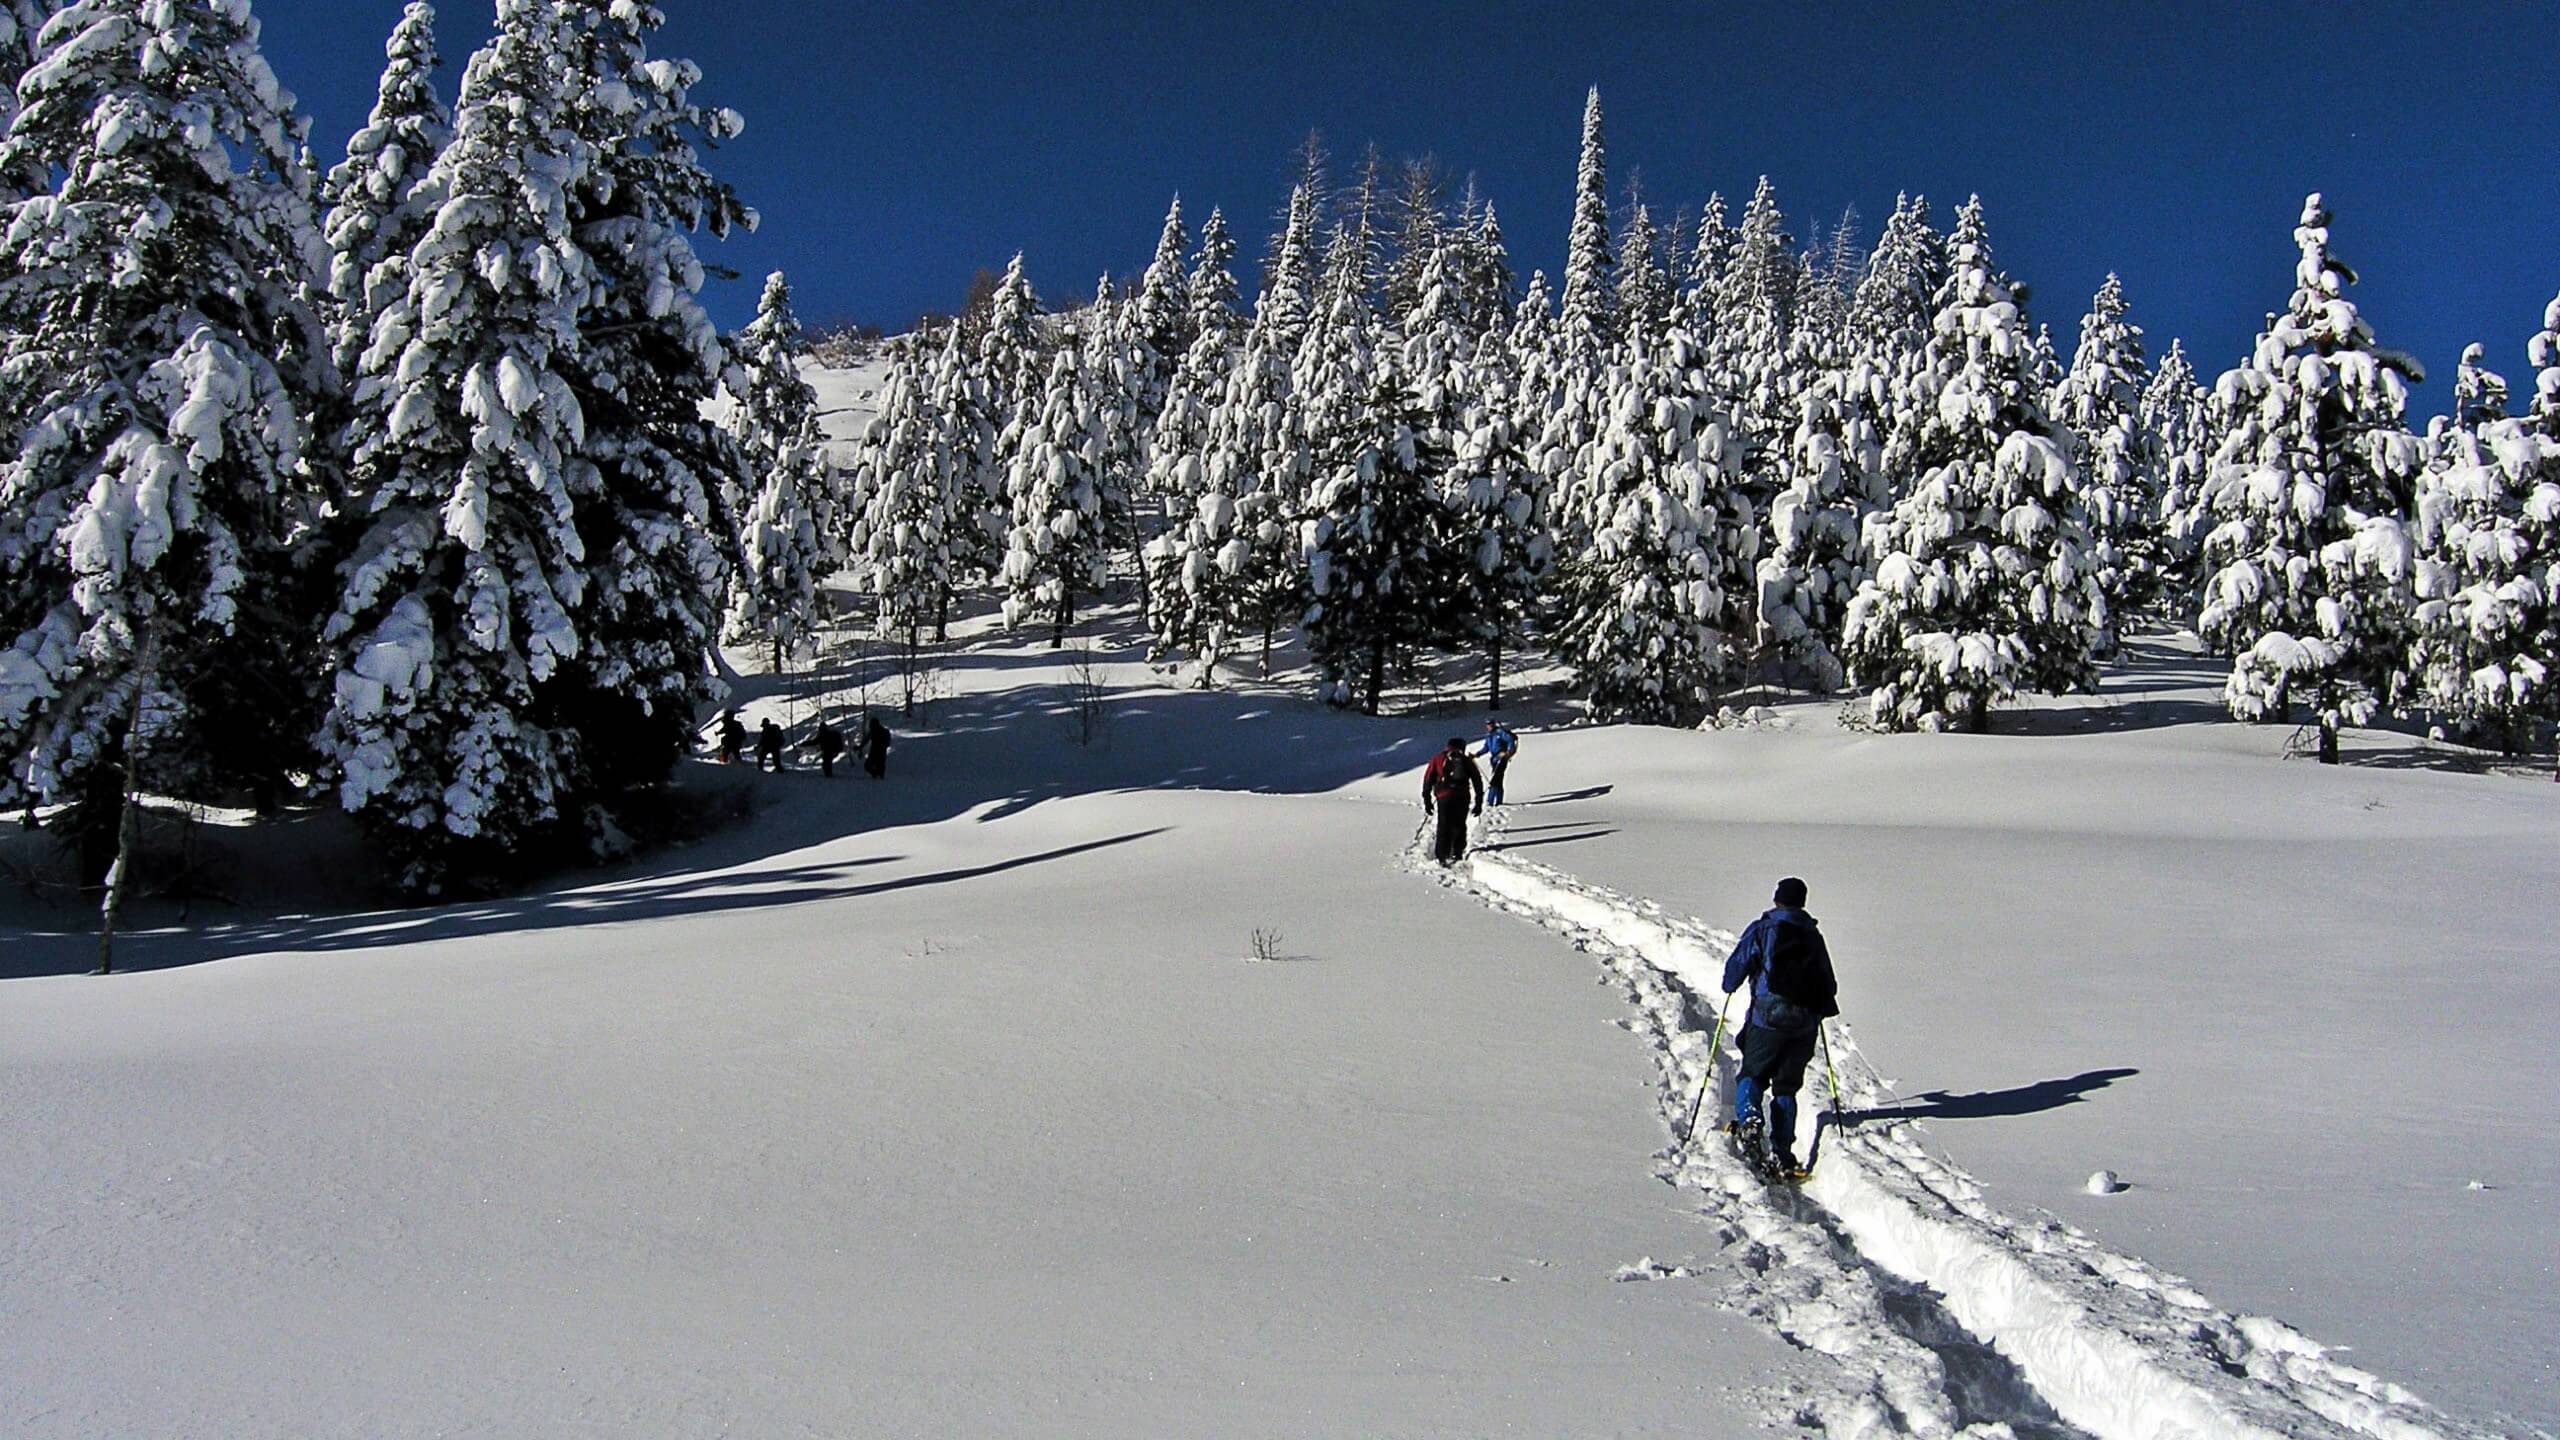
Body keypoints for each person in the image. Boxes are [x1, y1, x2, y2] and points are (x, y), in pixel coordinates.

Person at [1718, 876, 1840, 1179]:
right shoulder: (1812, 934)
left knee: (1753, 1074)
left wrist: (1731, 984)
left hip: (1767, 1019)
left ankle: (1749, 1121)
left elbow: (1735, 968)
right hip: (1804, 1023)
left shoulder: (1764, 928)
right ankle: (1783, 1151)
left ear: (1777, 899)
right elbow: (1829, 983)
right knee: (1786, 1087)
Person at [1420, 737, 1484, 865]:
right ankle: (1457, 852)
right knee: (1459, 823)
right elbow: (1477, 781)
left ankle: (1442, 855)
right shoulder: (1466, 760)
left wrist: (1427, 799)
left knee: (1444, 824)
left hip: (1444, 796)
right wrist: (1478, 802)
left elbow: (1428, 778)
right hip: (1462, 796)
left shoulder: (1438, 759)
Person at [1477, 719, 1519, 806]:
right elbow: (1486, 748)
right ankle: (1498, 801)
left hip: (1501, 758)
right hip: (1494, 759)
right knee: (1498, 780)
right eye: (1488, 724)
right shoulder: (1489, 735)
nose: (1489, 726)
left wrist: (1508, 752)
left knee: (1495, 779)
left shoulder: (1500, 732)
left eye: (1491, 724)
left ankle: (1490, 801)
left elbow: (1510, 740)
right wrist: (1477, 754)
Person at [862, 713, 891, 780]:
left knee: (869, 766)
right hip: (880, 751)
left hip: (876, 751)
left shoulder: (876, 731)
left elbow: (866, 739)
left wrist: (860, 747)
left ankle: (876, 775)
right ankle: (878, 775)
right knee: (878, 765)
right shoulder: (883, 731)